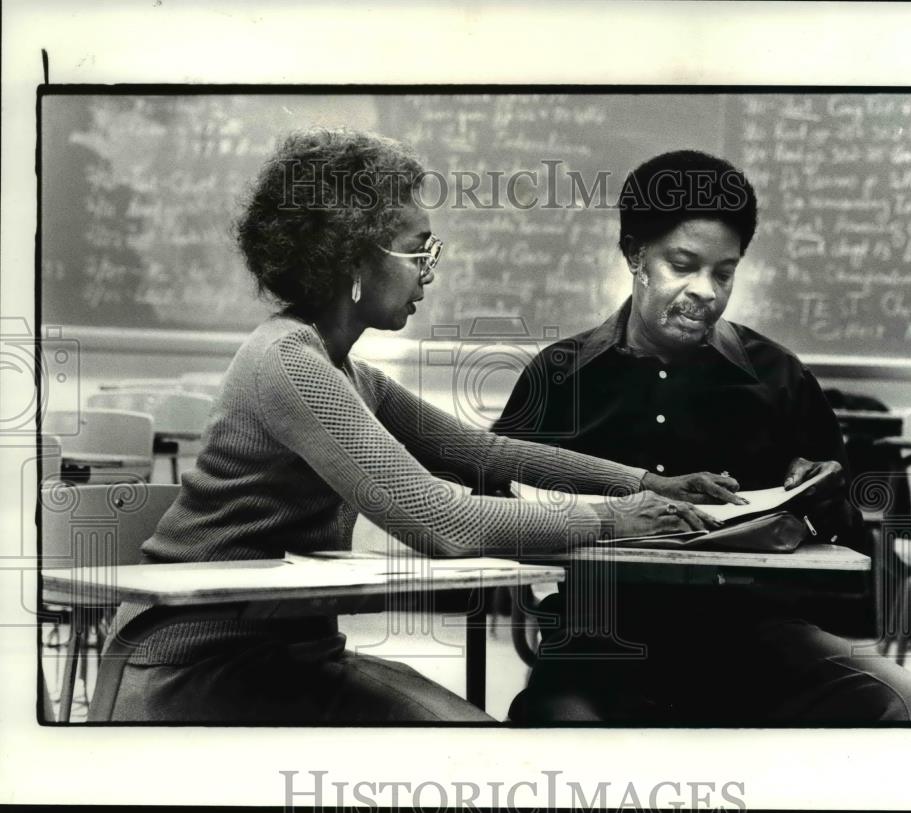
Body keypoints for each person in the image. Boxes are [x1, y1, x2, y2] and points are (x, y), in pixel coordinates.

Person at [103, 129, 727, 723]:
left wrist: (645, 482)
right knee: (474, 751)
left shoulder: (347, 372)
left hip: (288, 656)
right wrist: (615, 519)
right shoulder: (289, 361)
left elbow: (481, 452)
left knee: (471, 740)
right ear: (349, 256)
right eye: (415, 249)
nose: (428, 270)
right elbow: (443, 522)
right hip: (191, 662)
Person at [494, 149, 911, 723]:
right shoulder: (559, 376)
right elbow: (488, 499)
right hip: (599, 640)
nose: (705, 290)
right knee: (562, 729)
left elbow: (861, 567)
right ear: (635, 255)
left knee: (908, 701)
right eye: (682, 265)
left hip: (756, 638)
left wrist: (829, 503)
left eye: (723, 272)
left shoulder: (777, 376)